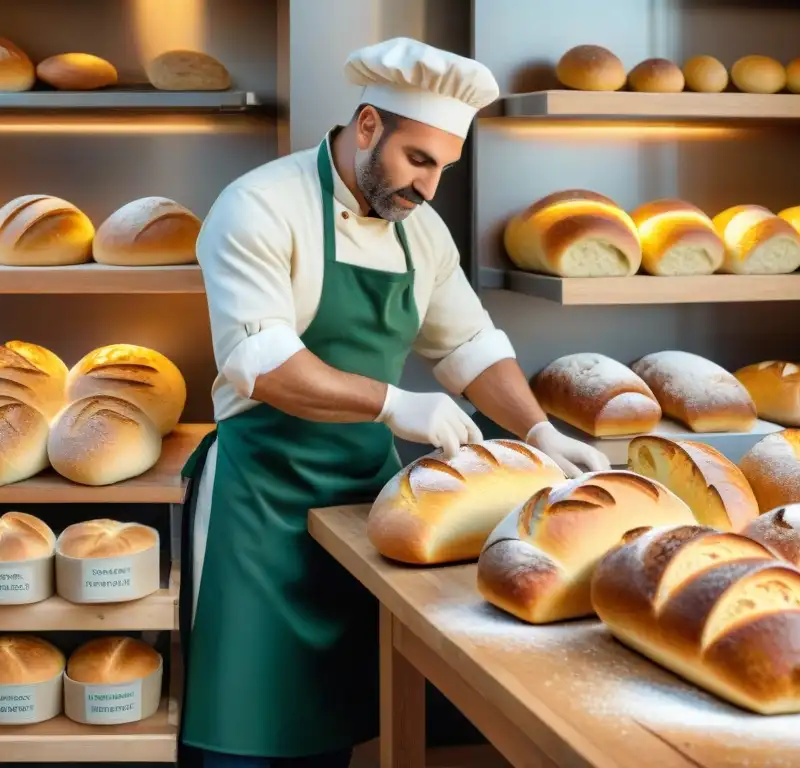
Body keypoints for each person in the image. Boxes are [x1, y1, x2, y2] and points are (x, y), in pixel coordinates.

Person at [179, 36, 611, 768]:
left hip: (362, 510)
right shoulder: (259, 205)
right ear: (370, 125)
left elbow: (469, 346)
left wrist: (540, 429)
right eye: (419, 161)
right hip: (258, 503)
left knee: (332, 730)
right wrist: (393, 405)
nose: (430, 187)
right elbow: (261, 365)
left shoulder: (422, 230)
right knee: (244, 728)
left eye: (444, 167)